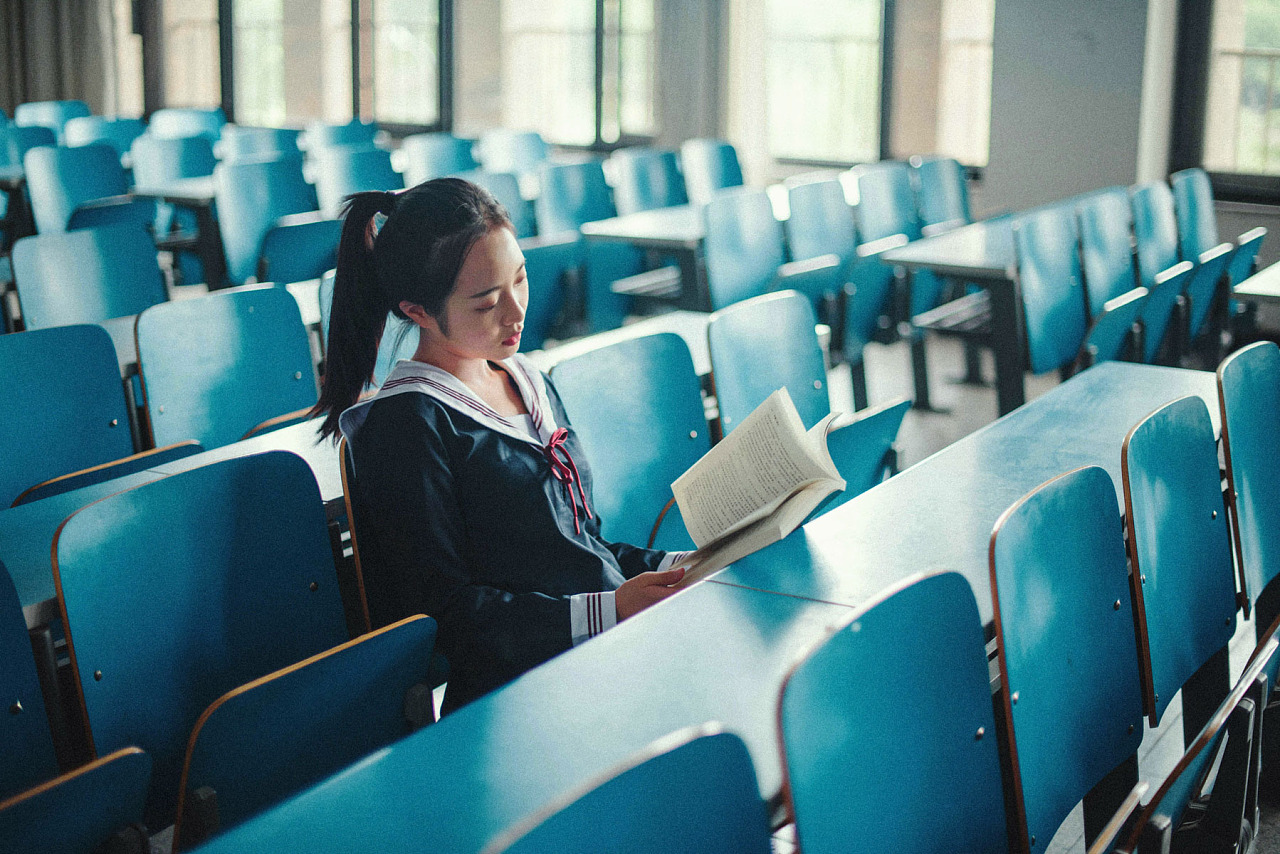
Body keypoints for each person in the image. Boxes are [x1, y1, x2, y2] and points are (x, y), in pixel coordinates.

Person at [313, 178, 688, 714]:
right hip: (515, 697)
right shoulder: (406, 426)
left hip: (600, 654)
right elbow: (446, 614)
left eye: (520, 280)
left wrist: (682, 565)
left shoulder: (526, 379)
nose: (515, 313)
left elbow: (584, 546)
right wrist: (608, 611)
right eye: (487, 301)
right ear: (417, 310)